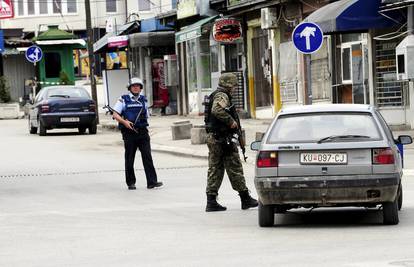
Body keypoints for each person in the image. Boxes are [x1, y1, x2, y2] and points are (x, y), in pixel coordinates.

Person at [204, 73, 258, 212]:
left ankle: (211, 201)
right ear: (228, 84)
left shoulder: (217, 94)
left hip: (215, 138)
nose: (234, 88)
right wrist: (231, 122)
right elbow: (217, 110)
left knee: (215, 169)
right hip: (222, 139)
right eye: (233, 85)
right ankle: (245, 198)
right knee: (234, 167)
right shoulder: (222, 96)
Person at [112, 77, 163, 190]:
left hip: (142, 132)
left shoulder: (143, 100)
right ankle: (131, 182)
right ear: (130, 88)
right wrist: (124, 122)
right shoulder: (123, 99)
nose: (136, 88)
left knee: (147, 156)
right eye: (133, 86)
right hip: (129, 132)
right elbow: (115, 114)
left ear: (140, 88)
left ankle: (152, 182)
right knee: (130, 158)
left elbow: (147, 116)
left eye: (138, 86)